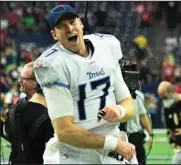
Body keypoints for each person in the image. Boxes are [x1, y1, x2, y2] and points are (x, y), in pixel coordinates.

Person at [33, 4, 136, 164]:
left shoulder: (107, 46)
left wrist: (119, 110)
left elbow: (129, 105)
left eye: (72, 22)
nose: (69, 28)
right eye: (61, 26)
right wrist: (114, 144)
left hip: (111, 145)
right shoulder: (53, 64)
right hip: (75, 153)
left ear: (80, 24)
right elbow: (65, 132)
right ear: (54, 35)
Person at [4, 62, 54, 164]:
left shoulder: (52, 110)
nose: (19, 81)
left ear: (38, 81)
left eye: (23, 78)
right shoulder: (15, 108)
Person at [120, 90, 153, 164]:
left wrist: (151, 135)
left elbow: (143, 116)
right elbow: (143, 116)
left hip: (134, 135)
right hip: (119, 136)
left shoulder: (137, 94)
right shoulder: (137, 94)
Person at [157, 81, 181, 164]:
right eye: (162, 98)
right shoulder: (166, 109)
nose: (164, 100)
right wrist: (171, 136)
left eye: (165, 97)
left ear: (172, 92)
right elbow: (168, 126)